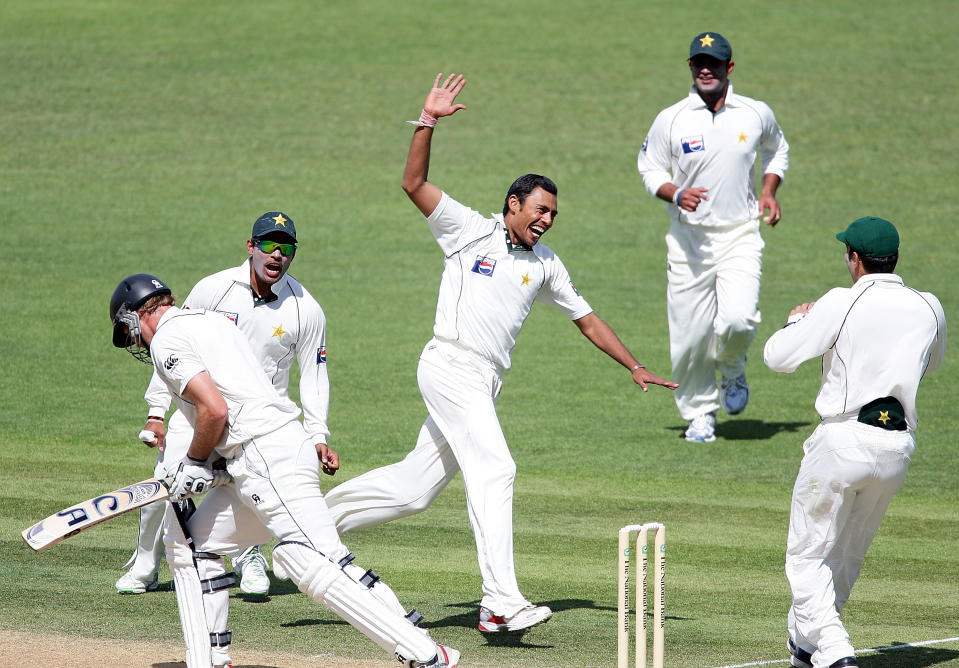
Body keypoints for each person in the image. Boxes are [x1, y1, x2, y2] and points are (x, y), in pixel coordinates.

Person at [324, 73, 678, 633]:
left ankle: (314, 524)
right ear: (513, 204)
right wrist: (428, 120)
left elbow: (587, 320)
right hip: (449, 363)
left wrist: (633, 363)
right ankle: (499, 603)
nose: (546, 219)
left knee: (414, 491)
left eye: (553, 214)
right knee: (496, 468)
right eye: (539, 209)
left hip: (483, 379)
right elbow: (413, 183)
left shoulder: (546, 264)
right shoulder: (469, 231)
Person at [109, 274, 460, 668]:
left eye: (128, 331)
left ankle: (427, 655)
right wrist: (216, 463)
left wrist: (193, 463)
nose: (134, 341)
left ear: (137, 314)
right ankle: (207, 658)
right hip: (268, 451)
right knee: (192, 544)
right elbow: (239, 399)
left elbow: (215, 410)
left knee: (303, 561)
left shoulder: (168, 341)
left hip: (266, 457)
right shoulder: (209, 320)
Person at [116, 212, 338, 603]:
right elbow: (170, 345)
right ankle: (145, 563)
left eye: (285, 249)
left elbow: (314, 374)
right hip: (200, 407)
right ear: (250, 247)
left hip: (255, 420)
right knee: (168, 477)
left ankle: (248, 557)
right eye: (268, 245)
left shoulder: (306, 309)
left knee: (246, 487)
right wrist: (157, 411)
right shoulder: (214, 289)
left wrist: (318, 434)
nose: (276, 255)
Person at [763, 217, 946, 668]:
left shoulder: (839, 303)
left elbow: (777, 358)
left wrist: (795, 323)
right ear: (895, 259)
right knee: (845, 553)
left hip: (842, 441)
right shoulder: (930, 306)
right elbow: (933, 362)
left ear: (855, 259)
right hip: (896, 449)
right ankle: (807, 646)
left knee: (807, 557)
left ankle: (836, 649)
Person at [636, 31, 790, 442]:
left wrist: (769, 191)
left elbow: (778, 150)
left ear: (729, 68)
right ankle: (700, 414)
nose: (706, 69)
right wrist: (676, 193)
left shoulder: (755, 113)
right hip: (688, 242)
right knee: (689, 337)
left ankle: (733, 366)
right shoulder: (671, 118)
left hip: (740, 234)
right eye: (699, 63)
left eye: (715, 63)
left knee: (738, 319)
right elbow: (649, 167)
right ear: (690, 67)